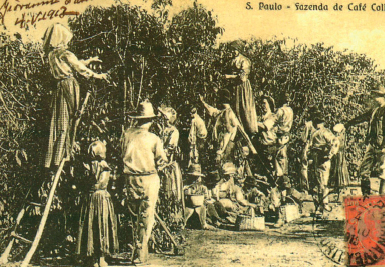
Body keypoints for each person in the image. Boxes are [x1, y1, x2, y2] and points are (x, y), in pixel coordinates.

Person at [42, 23, 109, 169]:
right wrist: (98, 76)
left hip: (59, 88)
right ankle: (63, 154)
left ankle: (53, 158)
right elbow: (78, 68)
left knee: (58, 121)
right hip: (69, 86)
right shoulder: (65, 53)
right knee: (69, 120)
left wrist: (89, 60)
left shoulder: (52, 55)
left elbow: (72, 64)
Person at [120, 100, 168, 264]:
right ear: (150, 121)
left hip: (131, 178)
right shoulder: (153, 138)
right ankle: (140, 253)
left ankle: (138, 250)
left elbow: (122, 154)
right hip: (148, 178)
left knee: (135, 217)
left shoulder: (127, 134)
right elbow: (162, 160)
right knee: (146, 217)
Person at [76, 141, 118, 267]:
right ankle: (96, 257)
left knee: (96, 225)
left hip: (94, 197)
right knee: (98, 225)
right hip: (99, 197)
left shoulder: (94, 166)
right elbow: (101, 183)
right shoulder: (99, 166)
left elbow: (97, 183)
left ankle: (99, 258)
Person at [346, 84, 385, 195]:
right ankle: (366, 198)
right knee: (364, 171)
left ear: (381, 96)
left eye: (376, 95)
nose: (374, 98)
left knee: (383, 174)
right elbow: (361, 118)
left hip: (382, 147)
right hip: (372, 145)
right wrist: (346, 125)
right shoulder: (374, 110)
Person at [224, 40, 258, 135]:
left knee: (245, 107)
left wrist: (229, 76)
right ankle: (239, 130)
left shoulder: (244, 60)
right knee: (236, 108)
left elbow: (243, 77)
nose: (232, 52)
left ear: (238, 50)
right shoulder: (232, 60)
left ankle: (250, 130)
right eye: (231, 50)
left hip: (243, 87)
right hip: (234, 87)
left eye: (234, 50)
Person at [200, 90, 239, 168]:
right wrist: (203, 103)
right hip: (221, 145)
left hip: (225, 146)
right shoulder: (223, 112)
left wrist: (226, 146)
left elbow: (233, 128)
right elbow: (213, 111)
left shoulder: (229, 113)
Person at [308, 116, 338, 213]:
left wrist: (330, 154)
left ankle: (324, 204)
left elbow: (335, 142)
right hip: (316, 158)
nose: (317, 124)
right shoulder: (316, 132)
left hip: (321, 158)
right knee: (318, 182)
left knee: (322, 182)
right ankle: (320, 205)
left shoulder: (324, 132)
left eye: (318, 122)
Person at [271, 100, 294, 227]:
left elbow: (282, 163)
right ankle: (281, 217)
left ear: (286, 138)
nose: (279, 140)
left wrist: (279, 174)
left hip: (281, 175)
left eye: (282, 138)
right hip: (279, 174)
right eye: (278, 138)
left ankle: (280, 218)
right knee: (279, 195)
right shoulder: (279, 149)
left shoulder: (283, 150)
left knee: (280, 196)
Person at [159, 107, 183, 201]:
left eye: (165, 118)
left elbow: (170, 148)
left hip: (168, 163)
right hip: (161, 162)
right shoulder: (163, 130)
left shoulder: (174, 131)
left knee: (170, 187)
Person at [183, 164, 210, 229]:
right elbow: (184, 195)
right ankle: (183, 223)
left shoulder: (202, 187)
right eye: (193, 177)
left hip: (199, 204)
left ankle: (204, 223)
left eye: (197, 177)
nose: (195, 179)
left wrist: (205, 199)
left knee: (203, 208)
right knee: (188, 210)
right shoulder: (186, 186)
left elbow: (206, 197)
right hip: (189, 205)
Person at [329, 123, 350, 191]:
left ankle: (338, 185)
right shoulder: (342, 137)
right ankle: (342, 184)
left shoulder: (337, 138)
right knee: (341, 168)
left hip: (338, 154)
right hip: (341, 154)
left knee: (337, 169)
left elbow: (334, 147)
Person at [299, 117, 316, 193]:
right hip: (315, 147)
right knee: (314, 167)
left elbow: (303, 138)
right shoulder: (319, 126)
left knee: (304, 166)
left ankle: (305, 188)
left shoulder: (308, 125)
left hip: (308, 146)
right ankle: (313, 186)